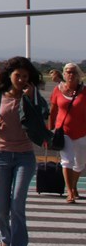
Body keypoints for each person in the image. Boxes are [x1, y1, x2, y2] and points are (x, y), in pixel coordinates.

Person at [0, 56, 42, 246]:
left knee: (17, 204)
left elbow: (41, 118)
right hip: (0, 155)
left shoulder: (32, 96)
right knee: (1, 206)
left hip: (25, 156)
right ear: (9, 76)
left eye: (25, 76)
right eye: (18, 75)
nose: (21, 79)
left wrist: (31, 98)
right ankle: (5, 238)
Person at [47, 62, 86, 204]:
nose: (70, 74)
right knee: (67, 160)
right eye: (68, 72)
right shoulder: (57, 90)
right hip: (63, 132)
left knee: (80, 163)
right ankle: (69, 191)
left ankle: (74, 185)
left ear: (78, 75)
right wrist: (49, 131)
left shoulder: (84, 91)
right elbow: (53, 111)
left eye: (73, 72)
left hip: (82, 132)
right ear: (64, 74)